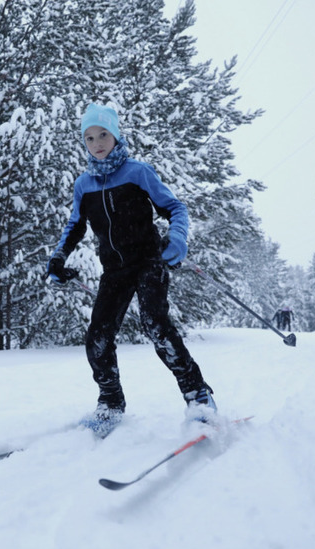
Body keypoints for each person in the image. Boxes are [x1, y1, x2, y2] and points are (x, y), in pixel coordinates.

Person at [46, 103, 216, 433]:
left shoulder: (137, 172)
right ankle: (110, 402)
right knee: (97, 336)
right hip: (115, 270)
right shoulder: (84, 184)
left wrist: (177, 239)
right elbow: (75, 226)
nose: (97, 142)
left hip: (149, 261)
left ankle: (199, 397)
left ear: (116, 135)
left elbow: (175, 208)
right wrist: (58, 258)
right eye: (90, 137)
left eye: (103, 135)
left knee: (155, 324)